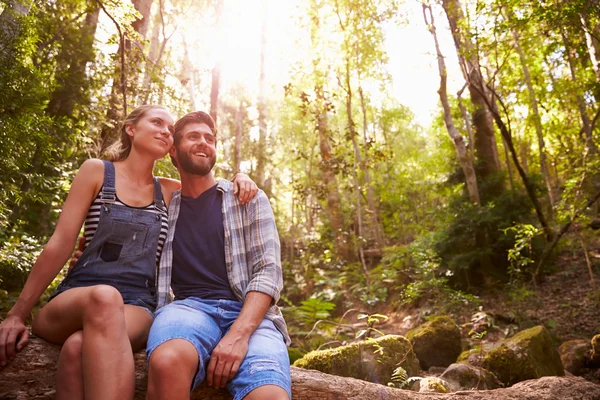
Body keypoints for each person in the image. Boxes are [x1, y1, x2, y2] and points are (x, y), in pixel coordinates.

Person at [0, 105, 257, 400]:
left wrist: (242, 175)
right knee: (104, 297)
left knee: (75, 349)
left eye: (171, 130)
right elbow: (60, 243)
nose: (165, 131)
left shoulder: (170, 191)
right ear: (131, 129)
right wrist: (17, 314)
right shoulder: (96, 172)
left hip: (138, 304)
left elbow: (210, 183)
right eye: (157, 122)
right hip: (76, 297)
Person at [145, 111, 291, 400]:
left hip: (251, 314)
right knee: (167, 362)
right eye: (193, 136)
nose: (204, 143)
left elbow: (269, 272)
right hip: (188, 309)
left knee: (269, 395)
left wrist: (238, 335)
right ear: (173, 149)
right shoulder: (162, 205)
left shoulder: (247, 198)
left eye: (210, 139)